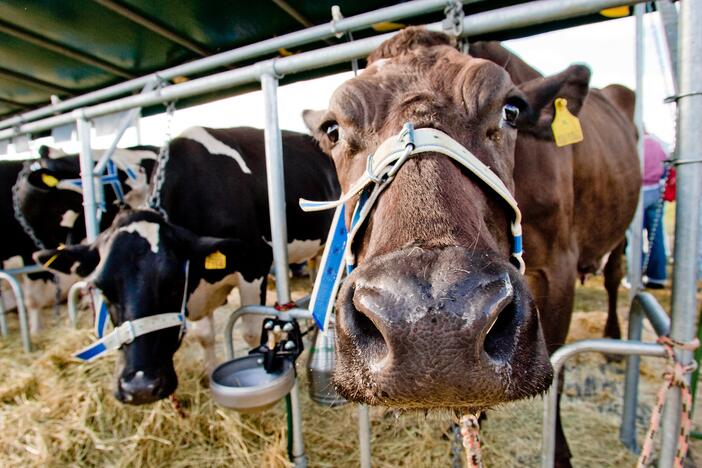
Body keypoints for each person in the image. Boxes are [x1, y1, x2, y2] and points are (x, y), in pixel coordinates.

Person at [641, 132, 671, 289]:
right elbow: (666, 166)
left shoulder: (637, 144)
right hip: (656, 192)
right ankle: (658, 276)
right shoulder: (657, 143)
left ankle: (636, 275)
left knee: (635, 237)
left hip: (640, 192)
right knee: (656, 234)